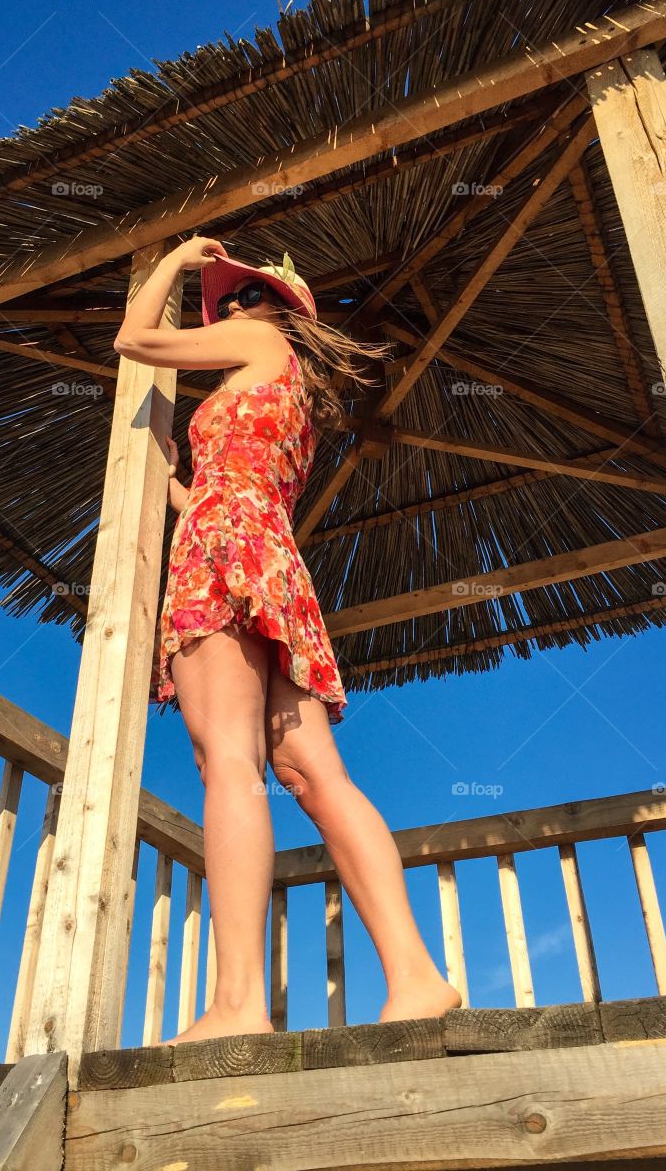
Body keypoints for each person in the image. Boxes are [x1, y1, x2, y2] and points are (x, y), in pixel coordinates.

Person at [113, 234, 463, 1044]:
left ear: (273, 305)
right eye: (224, 297)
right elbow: (235, 487)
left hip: (221, 552)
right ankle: (415, 974)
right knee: (312, 773)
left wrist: (172, 263)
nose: (229, 306)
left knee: (226, 761)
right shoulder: (292, 387)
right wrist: (175, 484)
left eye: (239, 294)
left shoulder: (257, 336)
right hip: (268, 556)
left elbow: (136, 341)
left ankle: (238, 1005)